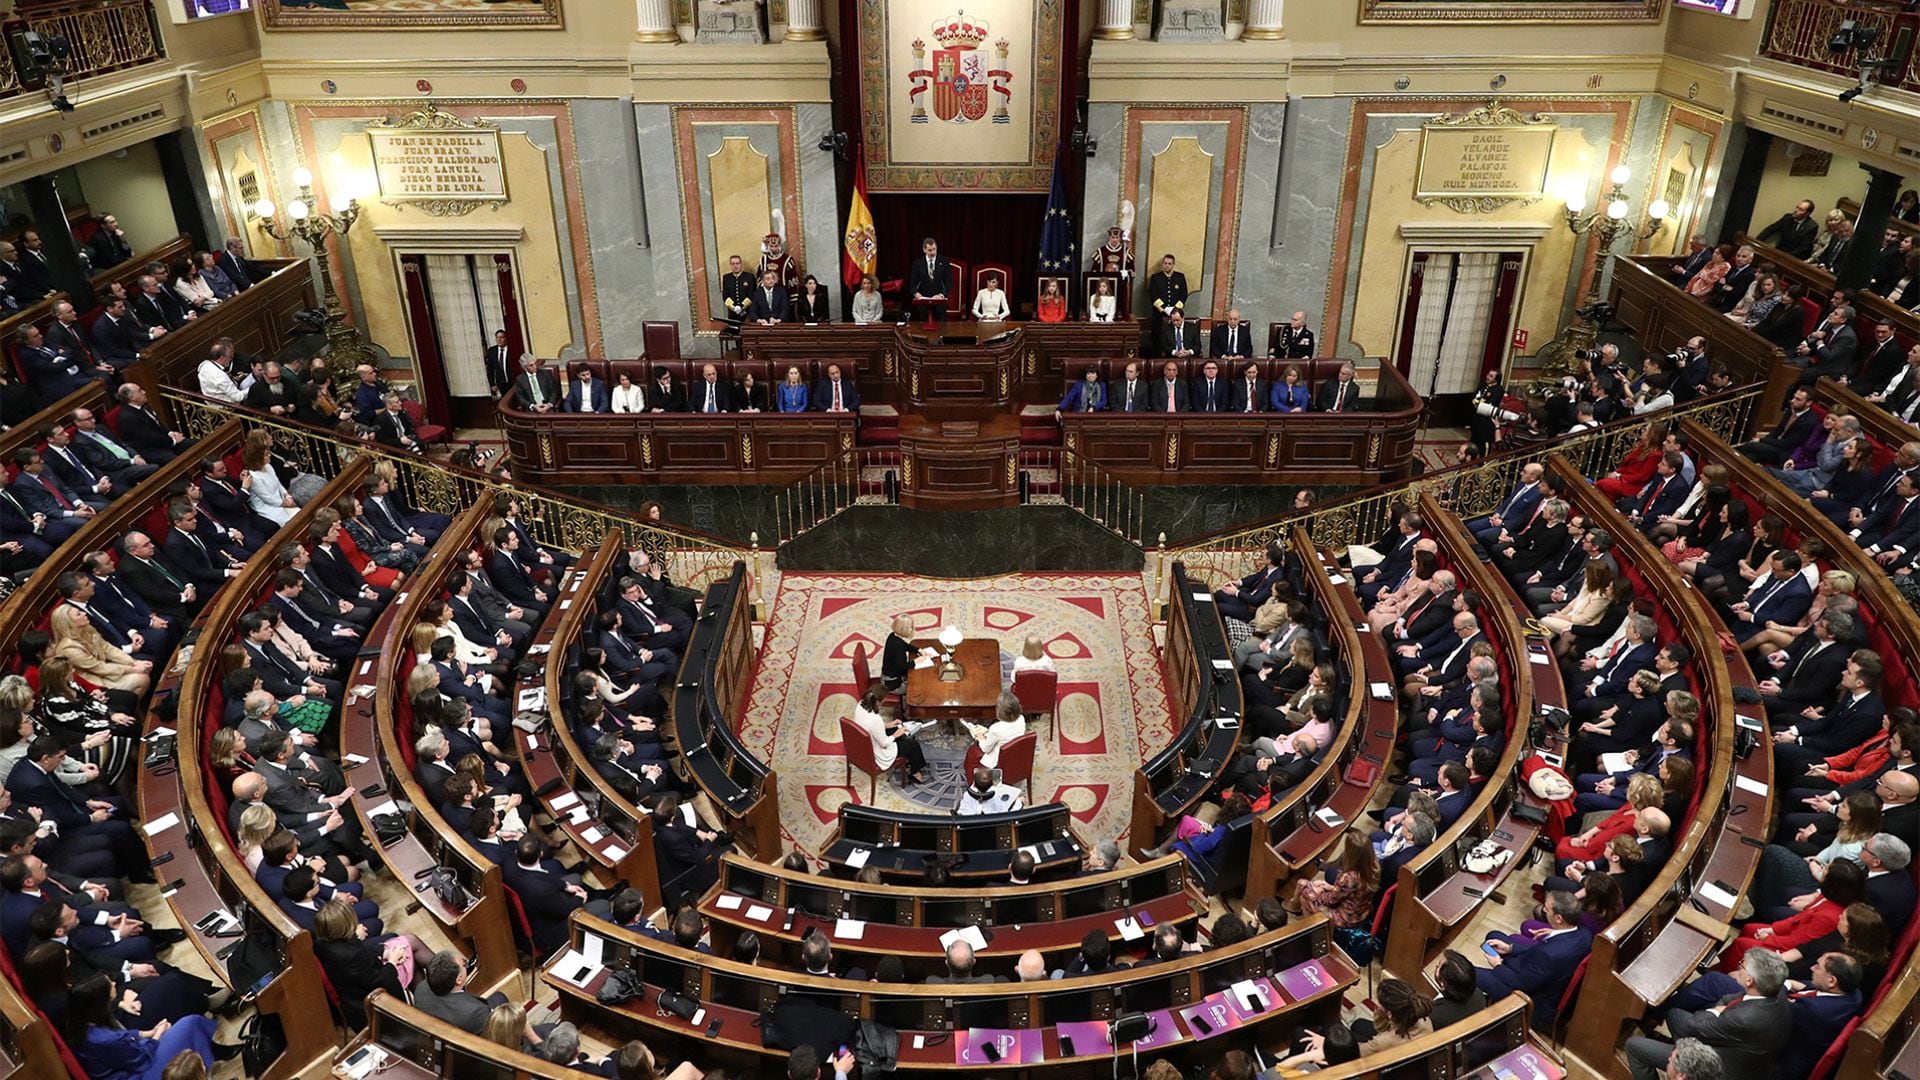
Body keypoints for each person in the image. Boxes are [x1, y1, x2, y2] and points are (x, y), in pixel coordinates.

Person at [846, 685, 926, 785]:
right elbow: (884, 743)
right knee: (913, 744)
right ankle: (915, 772)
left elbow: (868, 725)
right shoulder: (876, 720)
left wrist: (887, 726)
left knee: (895, 728)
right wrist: (896, 734)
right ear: (879, 701)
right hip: (876, 751)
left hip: (866, 741)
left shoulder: (860, 705)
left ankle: (907, 757)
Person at [1146, 254, 1187, 350]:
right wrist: (1164, 309)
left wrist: (1174, 310)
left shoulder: (1180, 277)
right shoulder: (1156, 277)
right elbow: (1153, 295)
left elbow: (1184, 294)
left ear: (1173, 265)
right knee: (1158, 339)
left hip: (1176, 315)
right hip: (1159, 314)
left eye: (1169, 263)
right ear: (1162, 264)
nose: (1167, 265)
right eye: (1165, 263)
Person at [905, 237, 952, 322]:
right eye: (930, 250)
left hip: (939, 300)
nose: (933, 252)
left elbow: (949, 282)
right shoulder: (917, 263)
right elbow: (912, 283)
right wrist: (916, 293)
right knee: (924, 325)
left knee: (941, 327)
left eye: (934, 249)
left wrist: (942, 295)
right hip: (923, 300)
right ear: (924, 250)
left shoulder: (944, 261)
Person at [719, 254, 755, 331]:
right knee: (735, 334)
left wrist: (741, 307)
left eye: (737, 263)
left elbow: (751, 294)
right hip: (733, 313)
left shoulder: (749, 277)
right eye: (733, 264)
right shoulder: (727, 278)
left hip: (747, 312)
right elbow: (725, 295)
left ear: (741, 264)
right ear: (730, 265)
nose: (735, 266)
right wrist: (734, 307)